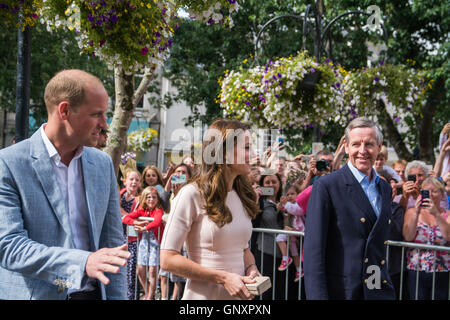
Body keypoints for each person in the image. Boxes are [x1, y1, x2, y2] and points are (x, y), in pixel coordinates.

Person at [0, 69, 129, 299]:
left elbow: (114, 248)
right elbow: (9, 246)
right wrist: (83, 262)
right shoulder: (8, 163)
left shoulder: (102, 164)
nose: (104, 123)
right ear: (65, 110)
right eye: (97, 114)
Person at [160, 118, 261, 300]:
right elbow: (167, 259)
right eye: (246, 148)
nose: (253, 154)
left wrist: (251, 268)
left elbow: (243, 249)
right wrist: (223, 278)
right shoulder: (191, 194)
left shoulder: (242, 195)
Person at [304, 117, 396, 300]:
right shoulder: (327, 186)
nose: (362, 151)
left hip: (375, 290)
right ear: (346, 147)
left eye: (369, 144)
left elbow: (376, 249)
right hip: (342, 292)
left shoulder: (385, 188)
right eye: (356, 144)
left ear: (379, 146)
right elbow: (314, 253)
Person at [402, 177, 450, 300]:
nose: (430, 195)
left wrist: (436, 215)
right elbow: (408, 237)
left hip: (442, 270)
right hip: (416, 269)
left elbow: (448, 236)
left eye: (434, 191)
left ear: (442, 194)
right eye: (426, 191)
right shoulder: (412, 212)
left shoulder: (447, 214)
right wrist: (417, 212)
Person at [123, 187, 164, 300]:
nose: (151, 199)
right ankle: (148, 293)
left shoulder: (158, 209)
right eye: (148, 197)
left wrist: (145, 228)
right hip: (143, 244)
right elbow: (125, 218)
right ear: (145, 199)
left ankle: (150, 296)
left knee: (152, 271)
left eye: (154, 197)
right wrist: (136, 222)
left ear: (157, 199)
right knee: (140, 270)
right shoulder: (142, 210)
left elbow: (156, 222)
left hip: (155, 244)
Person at [119, 168, 142, 300]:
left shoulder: (139, 199)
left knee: (131, 272)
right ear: (125, 181)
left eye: (137, 180)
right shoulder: (119, 195)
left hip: (132, 239)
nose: (134, 182)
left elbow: (137, 216)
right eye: (131, 179)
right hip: (119, 236)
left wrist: (125, 216)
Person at [276, 184, 305, 282]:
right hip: (293, 232)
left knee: (279, 238)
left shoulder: (299, 204)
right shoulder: (290, 205)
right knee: (294, 251)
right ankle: (299, 270)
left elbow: (296, 210)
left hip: (300, 231)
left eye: (292, 194)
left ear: (298, 194)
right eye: (287, 194)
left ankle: (285, 258)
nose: (289, 196)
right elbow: (287, 210)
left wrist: (286, 204)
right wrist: (280, 206)